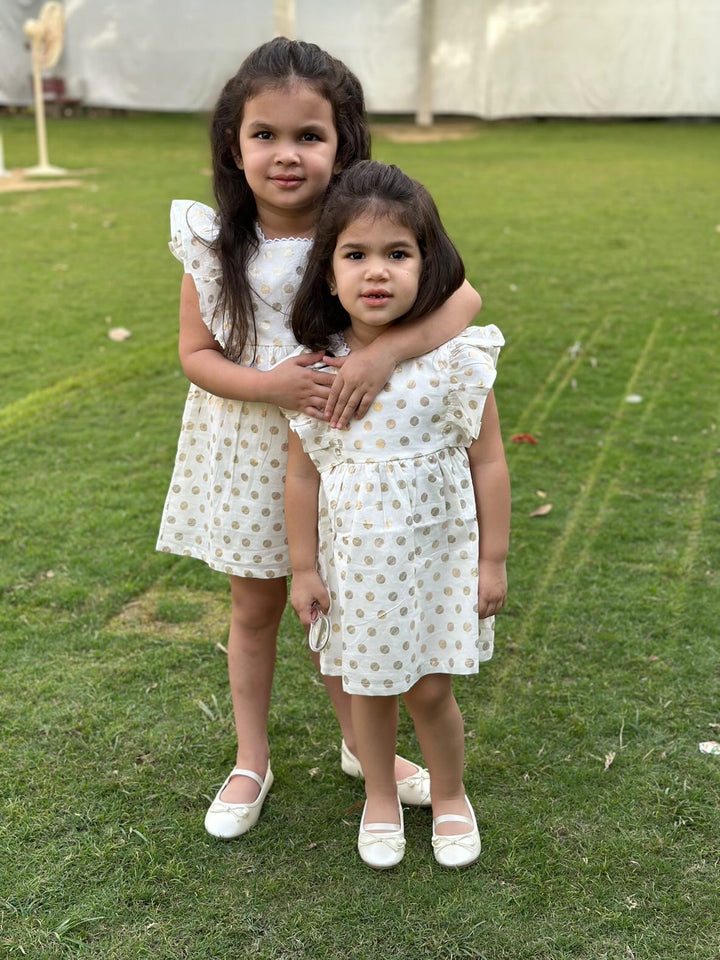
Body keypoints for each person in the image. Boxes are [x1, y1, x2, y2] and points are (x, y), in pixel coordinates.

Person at [156, 38, 484, 840]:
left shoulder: (365, 231)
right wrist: (269, 385)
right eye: (264, 135)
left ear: (345, 145)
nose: (287, 154)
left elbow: (465, 298)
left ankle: (357, 745)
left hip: (349, 461)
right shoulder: (214, 243)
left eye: (310, 136)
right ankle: (250, 757)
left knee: (337, 606)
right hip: (244, 453)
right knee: (257, 607)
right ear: (235, 145)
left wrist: (381, 353)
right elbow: (196, 355)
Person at [284, 160, 510, 869]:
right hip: (359, 571)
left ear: (427, 264)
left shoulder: (456, 359)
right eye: (355, 254)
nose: (375, 272)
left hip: (438, 560)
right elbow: (301, 477)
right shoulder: (317, 372)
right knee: (370, 692)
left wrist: (493, 559)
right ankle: (380, 796)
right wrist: (302, 569)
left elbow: (490, 461)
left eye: (397, 254)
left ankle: (449, 796)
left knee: (430, 690)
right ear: (328, 272)